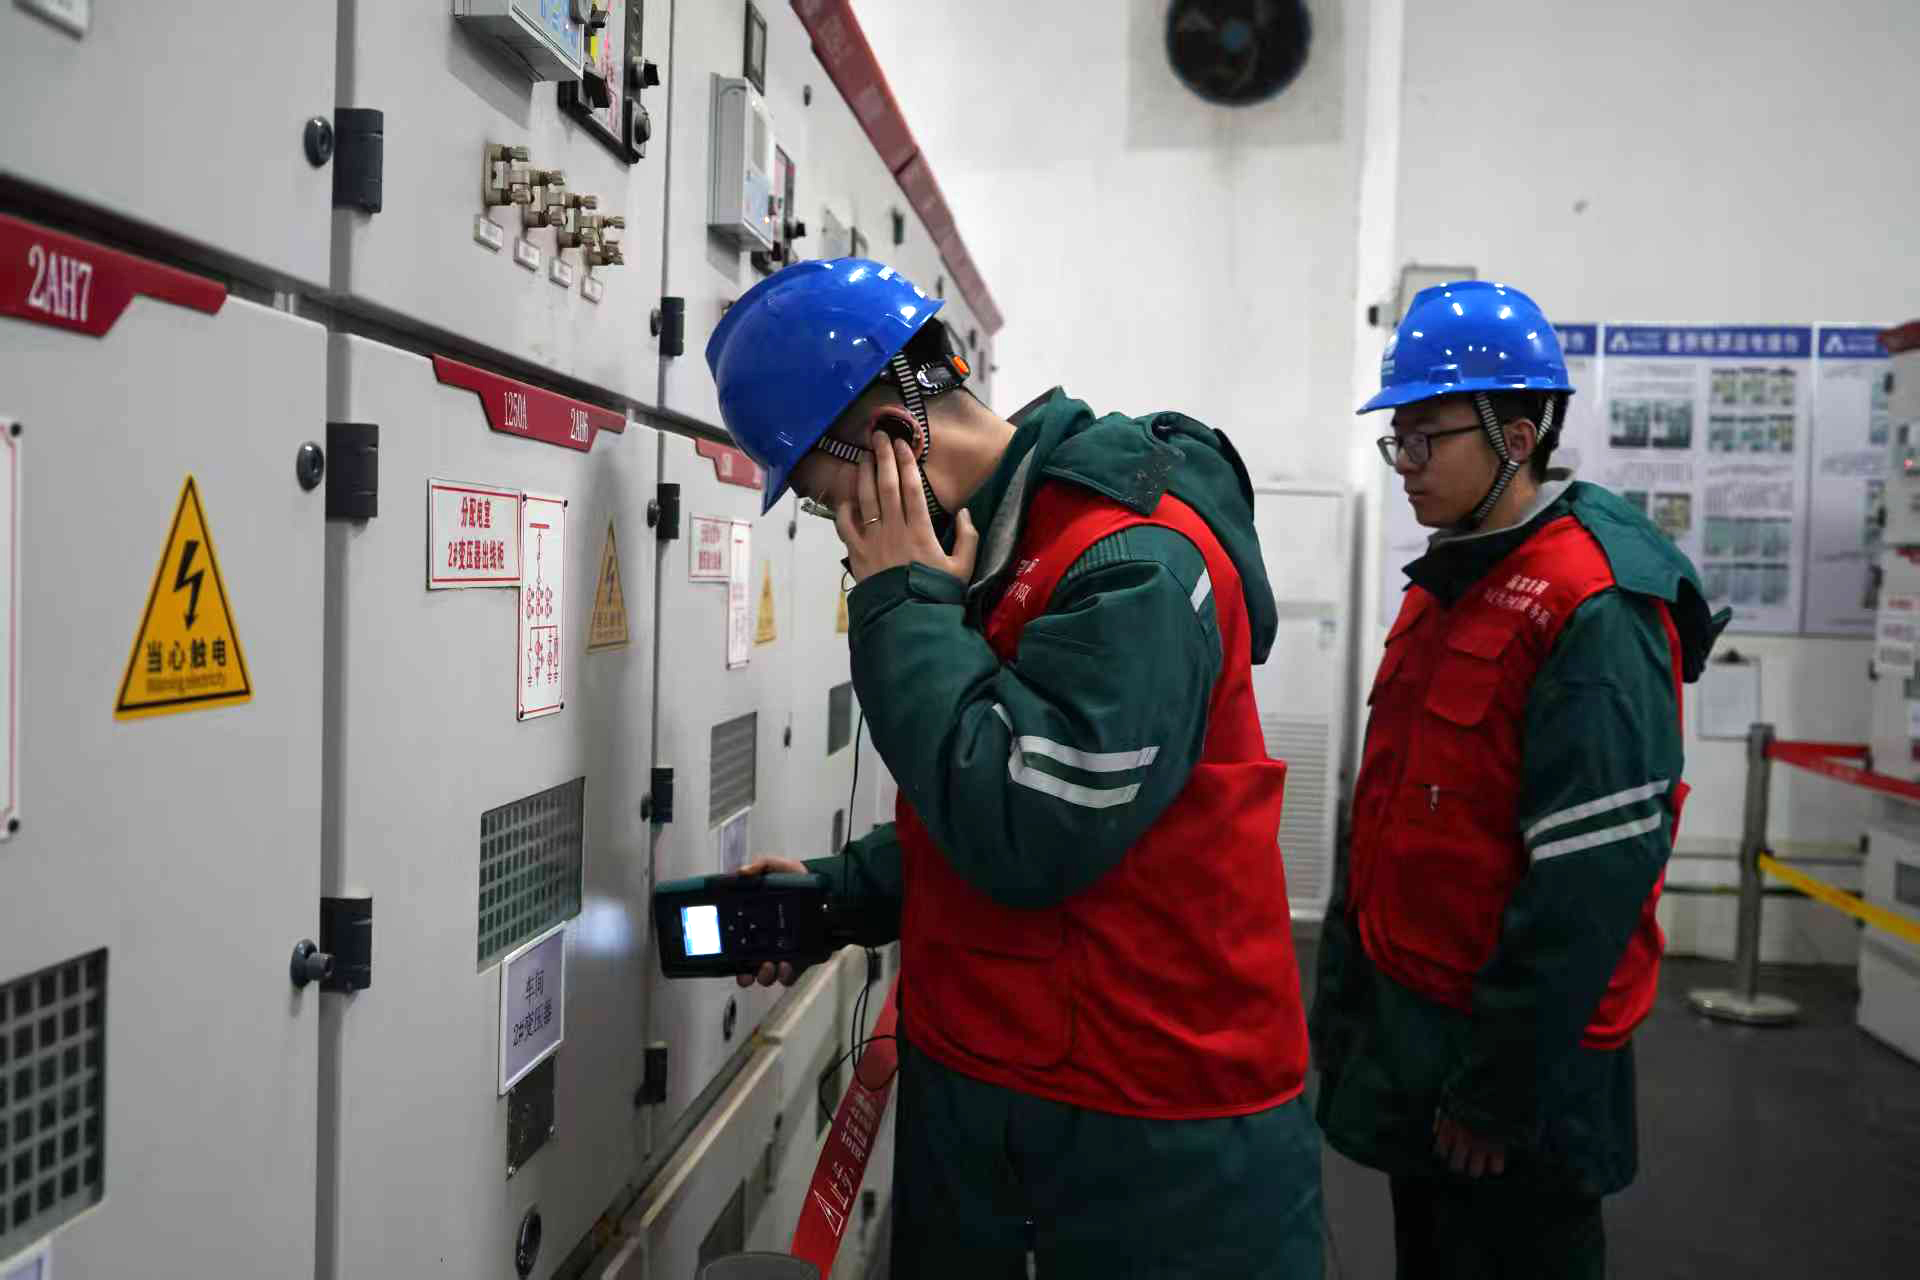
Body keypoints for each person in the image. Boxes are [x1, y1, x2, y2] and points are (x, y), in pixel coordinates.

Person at [705, 258, 1322, 1277]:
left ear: (892, 436)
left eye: (825, 498)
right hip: (1017, 1104)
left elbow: (1030, 830)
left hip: (1142, 1141)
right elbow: (981, 774)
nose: (842, 532)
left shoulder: (1130, 561)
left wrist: (900, 611)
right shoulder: (999, 545)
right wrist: (841, 894)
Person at [1310, 281, 1726, 1278]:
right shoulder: (1452, 578)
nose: (1406, 464)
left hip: (1517, 1062)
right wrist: (1347, 1001)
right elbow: (1392, 807)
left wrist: (1500, 1088)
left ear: (1519, 435)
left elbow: (1591, 878)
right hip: (1420, 1028)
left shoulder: (1592, 604)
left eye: (1428, 437)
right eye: (1397, 439)